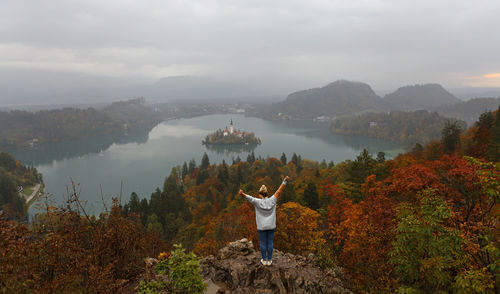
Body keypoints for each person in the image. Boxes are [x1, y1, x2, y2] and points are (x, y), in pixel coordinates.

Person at [239, 176, 290, 266]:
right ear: (266, 193)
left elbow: (249, 198)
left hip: (261, 226)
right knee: (270, 242)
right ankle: (269, 260)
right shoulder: (272, 200)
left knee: (262, 242)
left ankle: (264, 260)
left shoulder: (257, 202)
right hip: (271, 226)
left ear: (260, 194)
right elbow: (279, 191)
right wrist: (284, 181)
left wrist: (242, 194)